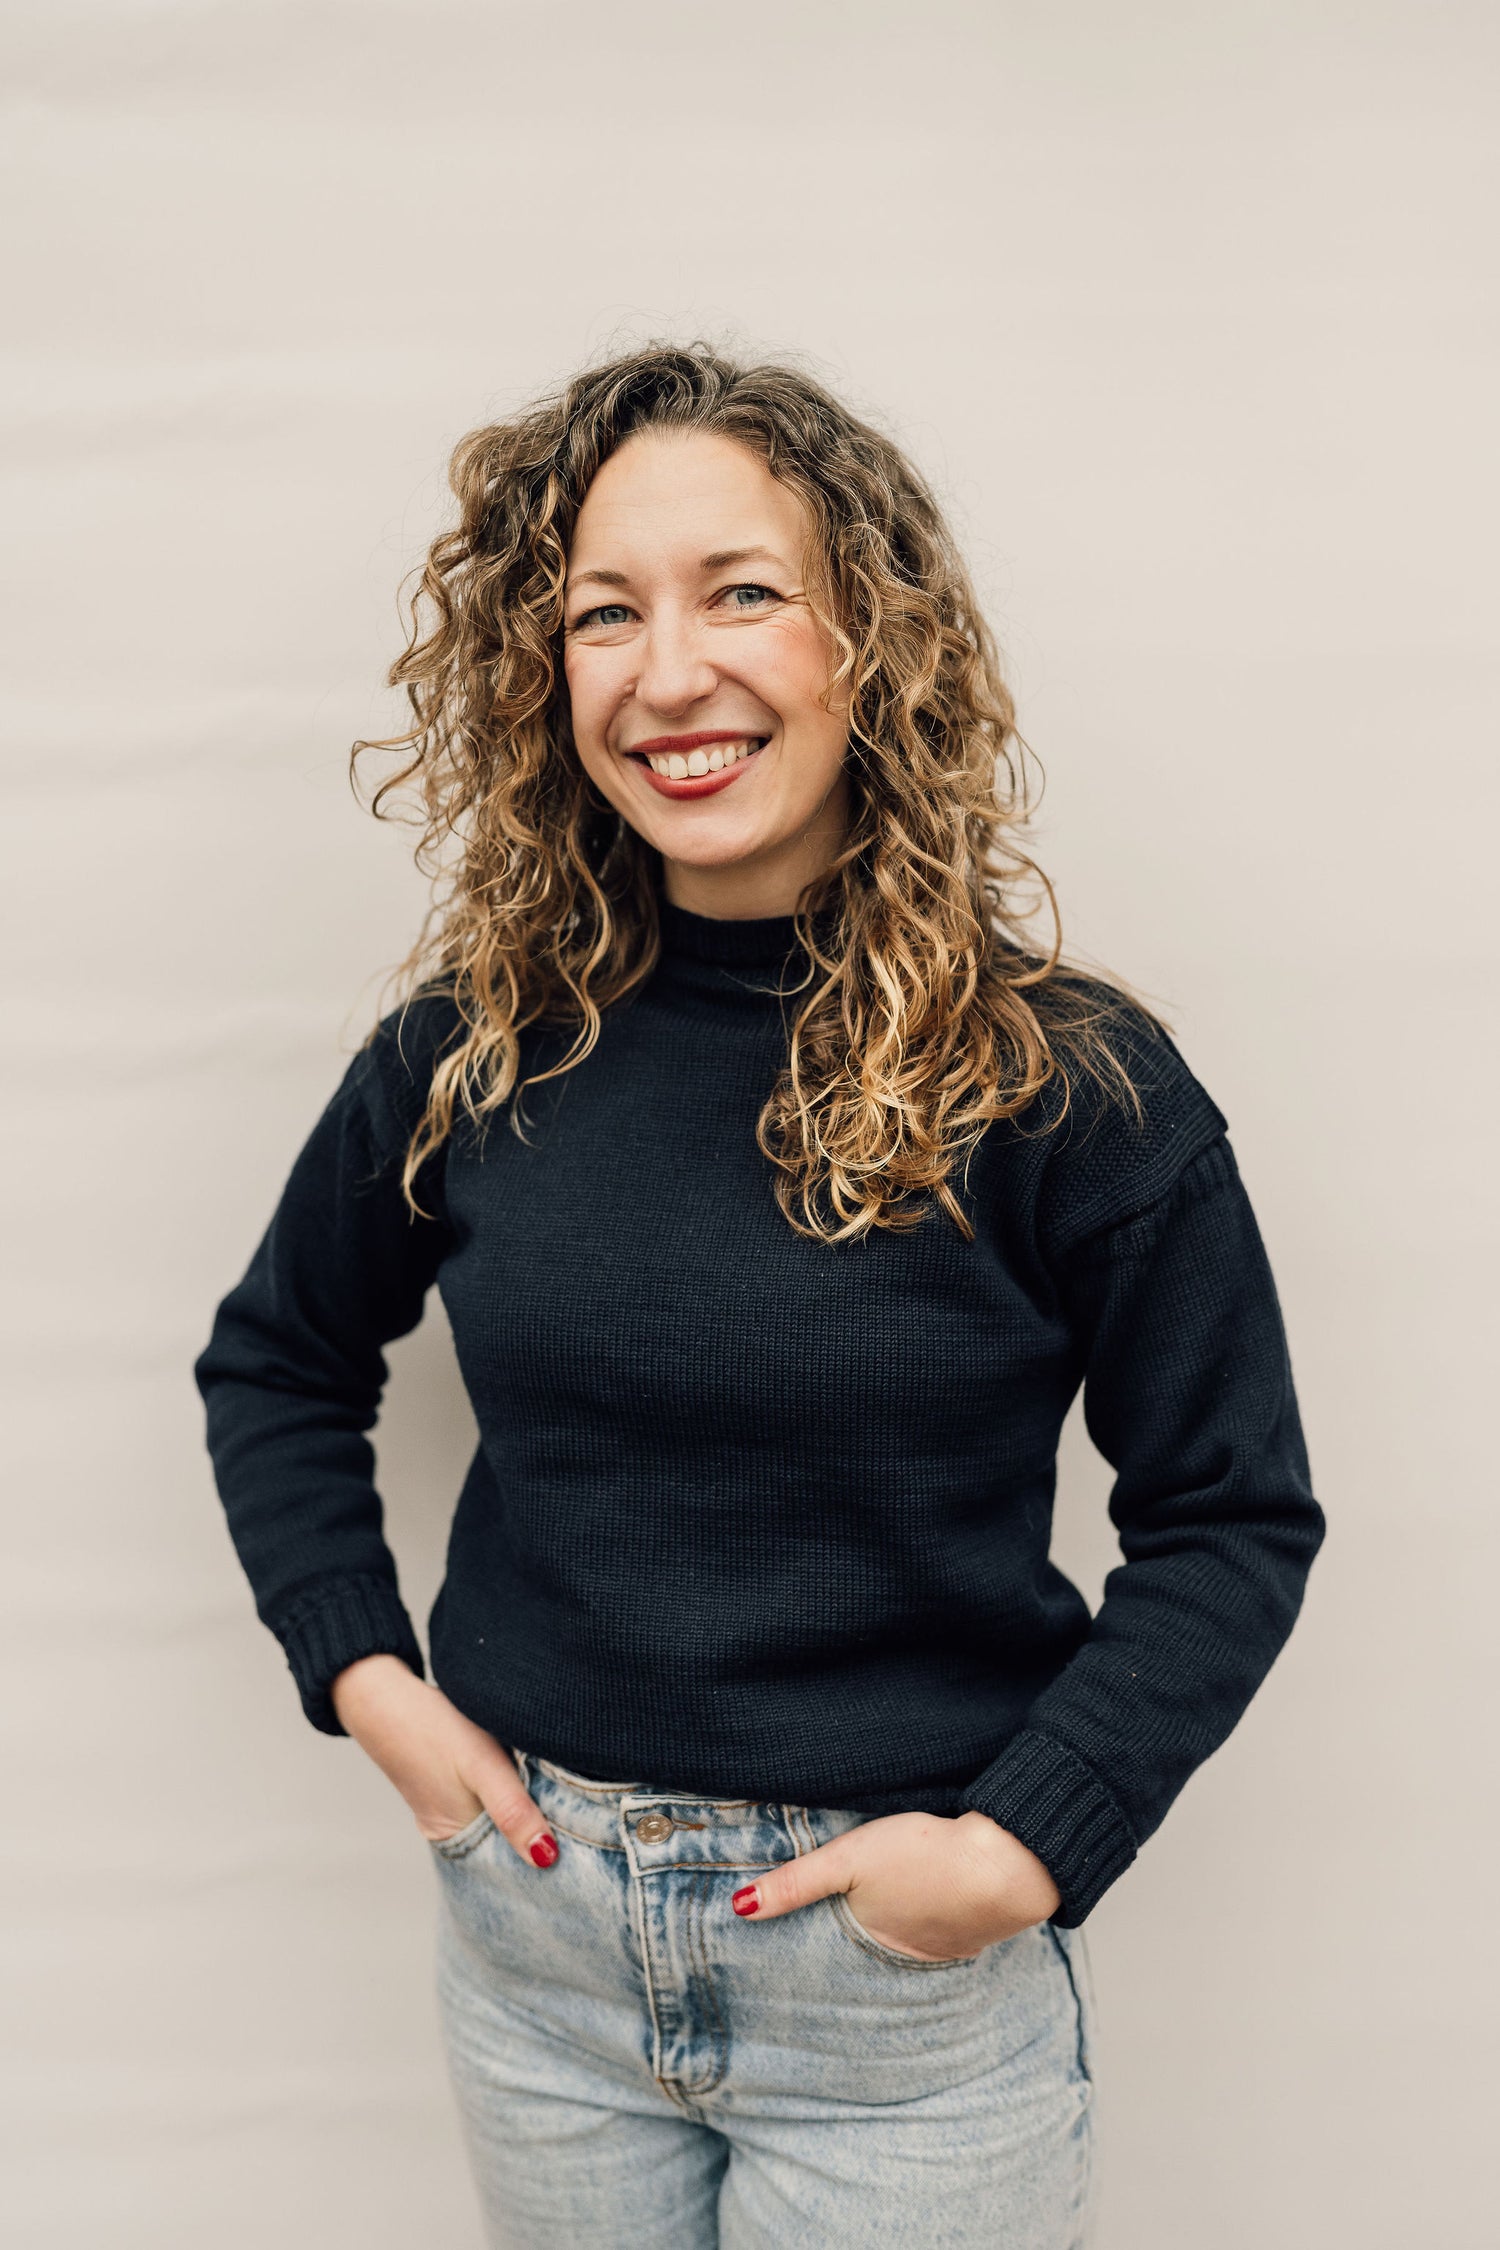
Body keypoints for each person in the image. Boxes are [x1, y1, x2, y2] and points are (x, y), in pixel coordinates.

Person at [195, 343, 1324, 2248]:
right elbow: (281, 1361)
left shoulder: (1066, 1089)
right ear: (546, 682)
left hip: (895, 2004)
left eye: (742, 592)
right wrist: (367, 1679)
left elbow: (1232, 1516)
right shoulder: (477, 1053)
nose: (670, 671)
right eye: (604, 613)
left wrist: (1024, 1844)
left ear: (868, 642)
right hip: (536, 1961)